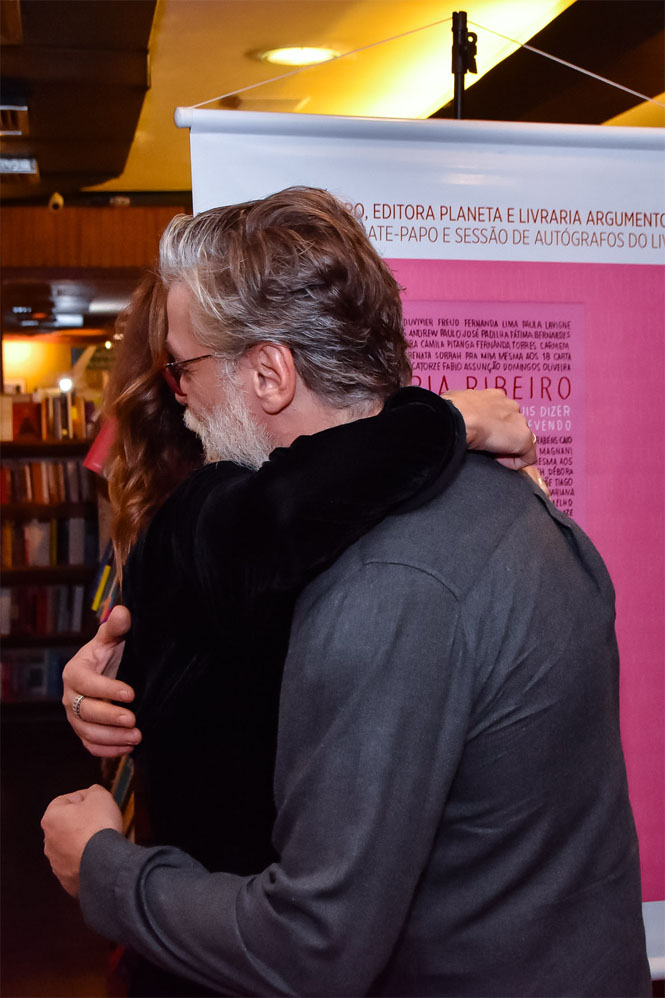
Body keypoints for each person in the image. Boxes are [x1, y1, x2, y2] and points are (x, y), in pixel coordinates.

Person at [42, 187, 649, 997]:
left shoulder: (383, 582)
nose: (179, 402)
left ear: (268, 373)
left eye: (182, 369)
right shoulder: (517, 502)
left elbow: (315, 945)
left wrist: (104, 870)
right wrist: (129, 675)